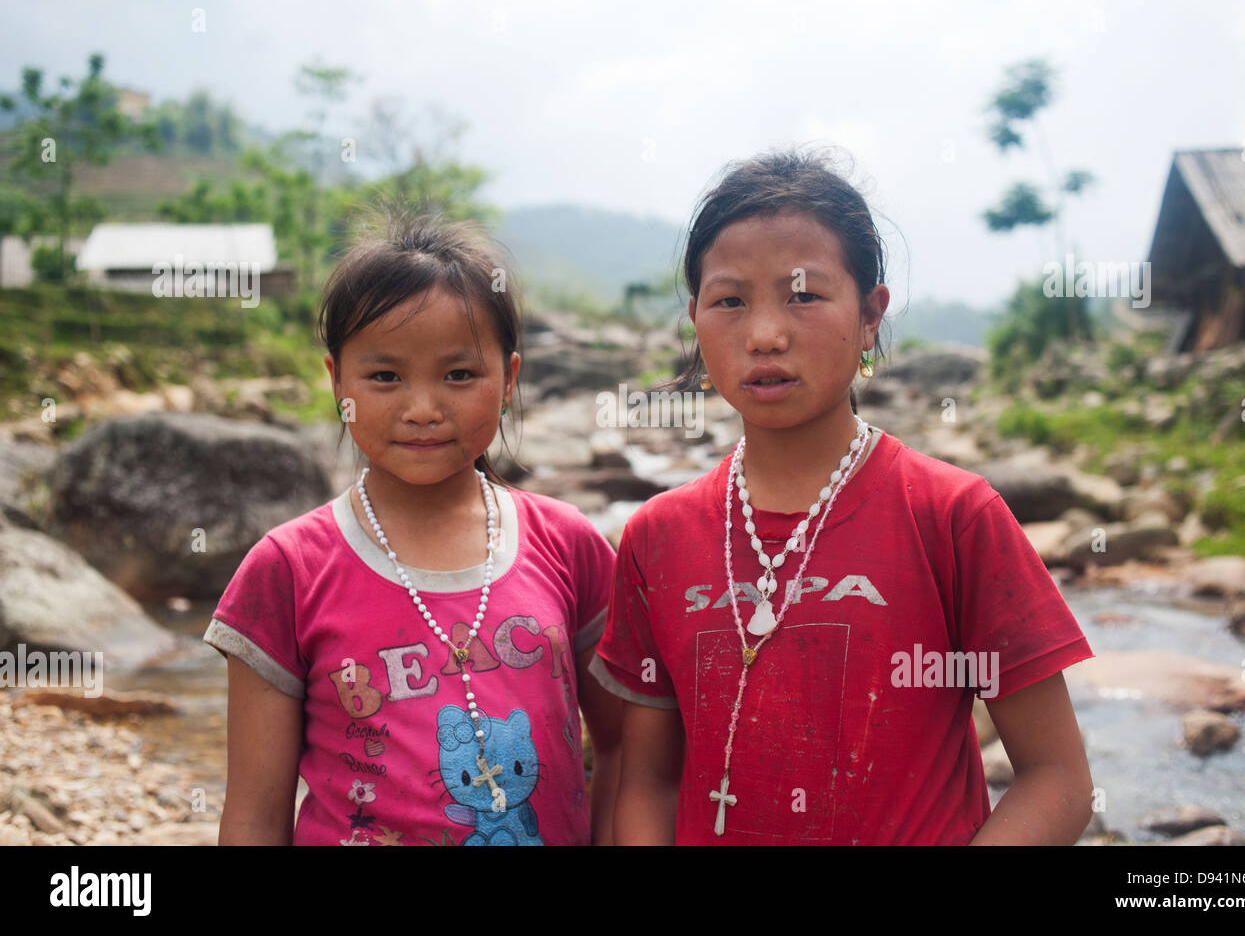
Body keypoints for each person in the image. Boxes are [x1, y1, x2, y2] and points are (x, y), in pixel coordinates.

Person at [590, 148, 1095, 845]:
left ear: (870, 315)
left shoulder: (951, 515)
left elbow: (1056, 777)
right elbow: (650, 780)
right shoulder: (656, 536)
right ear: (696, 321)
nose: (765, 334)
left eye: (804, 294)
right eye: (730, 300)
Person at [206, 214, 622, 846]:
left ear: (508, 380)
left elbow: (625, 752)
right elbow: (255, 813)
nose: (423, 409)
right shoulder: (288, 569)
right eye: (384, 377)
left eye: (459, 375)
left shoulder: (567, 545)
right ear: (336, 381)